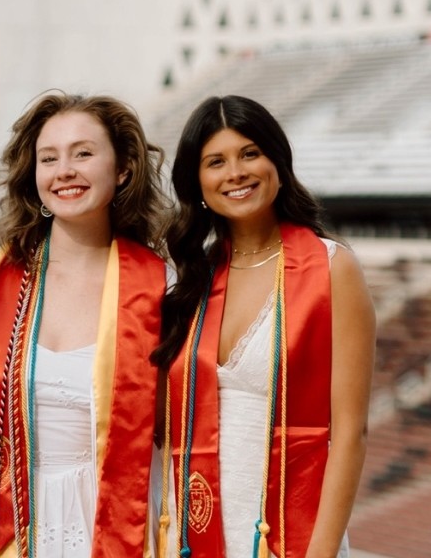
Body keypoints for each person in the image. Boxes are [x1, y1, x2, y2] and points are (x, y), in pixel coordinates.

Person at [152, 96, 376, 558]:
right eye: (216, 161)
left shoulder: (332, 269)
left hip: (291, 537)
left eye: (250, 153)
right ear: (197, 182)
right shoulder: (192, 278)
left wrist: (321, 553)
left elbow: (350, 433)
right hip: (191, 534)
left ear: (278, 160)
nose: (235, 172)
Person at [0, 92, 170, 557]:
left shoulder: (161, 284)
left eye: (83, 153)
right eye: (49, 158)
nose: (65, 171)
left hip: (110, 518)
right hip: (10, 520)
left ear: (122, 170)